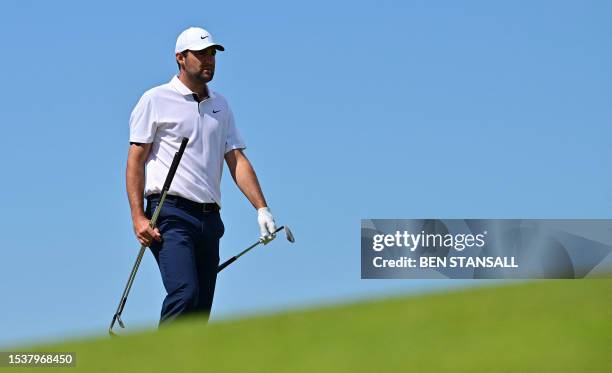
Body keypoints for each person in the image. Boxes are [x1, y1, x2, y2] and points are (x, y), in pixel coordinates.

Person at [126, 26, 276, 324]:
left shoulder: (220, 104)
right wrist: (137, 217)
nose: (208, 60)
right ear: (181, 58)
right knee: (185, 292)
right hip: (170, 213)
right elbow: (135, 161)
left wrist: (262, 208)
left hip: (210, 219)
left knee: (200, 310)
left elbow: (235, 158)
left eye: (212, 54)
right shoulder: (155, 99)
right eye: (201, 54)